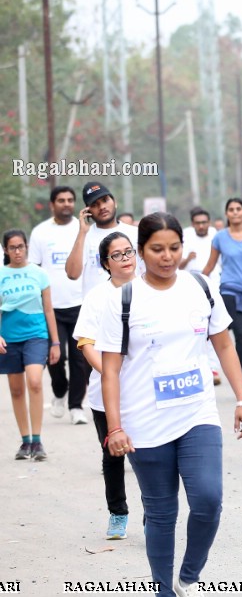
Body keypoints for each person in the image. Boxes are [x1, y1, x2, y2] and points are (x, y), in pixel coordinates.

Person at [95, 213, 242, 597]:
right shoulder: (122, 300)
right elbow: (110, 370)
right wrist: (115, 428)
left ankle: (190, 577)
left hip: (197, 413)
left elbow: (222, 342)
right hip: (145, 422)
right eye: (156, 249)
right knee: (161, 513)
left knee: (208, 499)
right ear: (141, 251)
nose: (167, 257)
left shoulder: (200, 286)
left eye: (173, 248)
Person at [73, 231, 137, 539]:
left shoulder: (150, 289)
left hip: (145, 392)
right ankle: (118, 513)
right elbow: (86, 344)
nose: (126, 259)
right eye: (118, 255)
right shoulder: (97, 297)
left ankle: (155, 513)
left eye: (129, 252)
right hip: (105, 395)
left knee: (151, 456)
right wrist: (112, 374)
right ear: (105, 263)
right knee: (113, 454)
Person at [28, 185, 88, 424]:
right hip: (51, 307)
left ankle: (76, 407)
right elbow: (34, 269)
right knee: (54, 356)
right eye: (61, 200)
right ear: (52, 204)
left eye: (70, 200)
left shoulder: (82, 229)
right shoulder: (41, 232)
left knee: (79, 358)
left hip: (81, 304)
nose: (66, 204)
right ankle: (59, 389)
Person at [2, 229, 60, 461]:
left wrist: (55, 342)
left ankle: (37, 440)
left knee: (34, 382)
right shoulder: (1, 274)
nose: (17, 251)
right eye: (12, 247)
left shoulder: (39, 274)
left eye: (21, 246)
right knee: (16, 390)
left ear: (27, 247)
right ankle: (25, 441)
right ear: (6, 250)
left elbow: (48, 309)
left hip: (36, 335)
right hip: (9, 338)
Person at [203, 198, 242, 406]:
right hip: (229, 292)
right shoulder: (220, 237)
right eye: (231, 209)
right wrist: (193, 285)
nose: (235, 212)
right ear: (227, 214)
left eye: (239, 209)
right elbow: (210, 266)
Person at [65, 180, 141, 312]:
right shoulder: (83, 237)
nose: (102, 207)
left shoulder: (135, 233)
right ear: (88, 211)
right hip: (98, 312)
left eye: (105, 200)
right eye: (95, 204)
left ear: (115, 202)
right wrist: (82, 232)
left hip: (134, 307)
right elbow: (72, 274)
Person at [182, 207, 222, 385]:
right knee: (195, 329)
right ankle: (196, 366)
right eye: (197, 223)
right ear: (192, 224)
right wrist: (187, 259)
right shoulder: (185, 236)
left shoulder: (216, 235)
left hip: (214, 288)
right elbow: (176, 265)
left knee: (214, 329)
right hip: (190, 289)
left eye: (204, 222)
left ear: (209, 222)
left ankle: (213, 368)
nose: (201, 226)